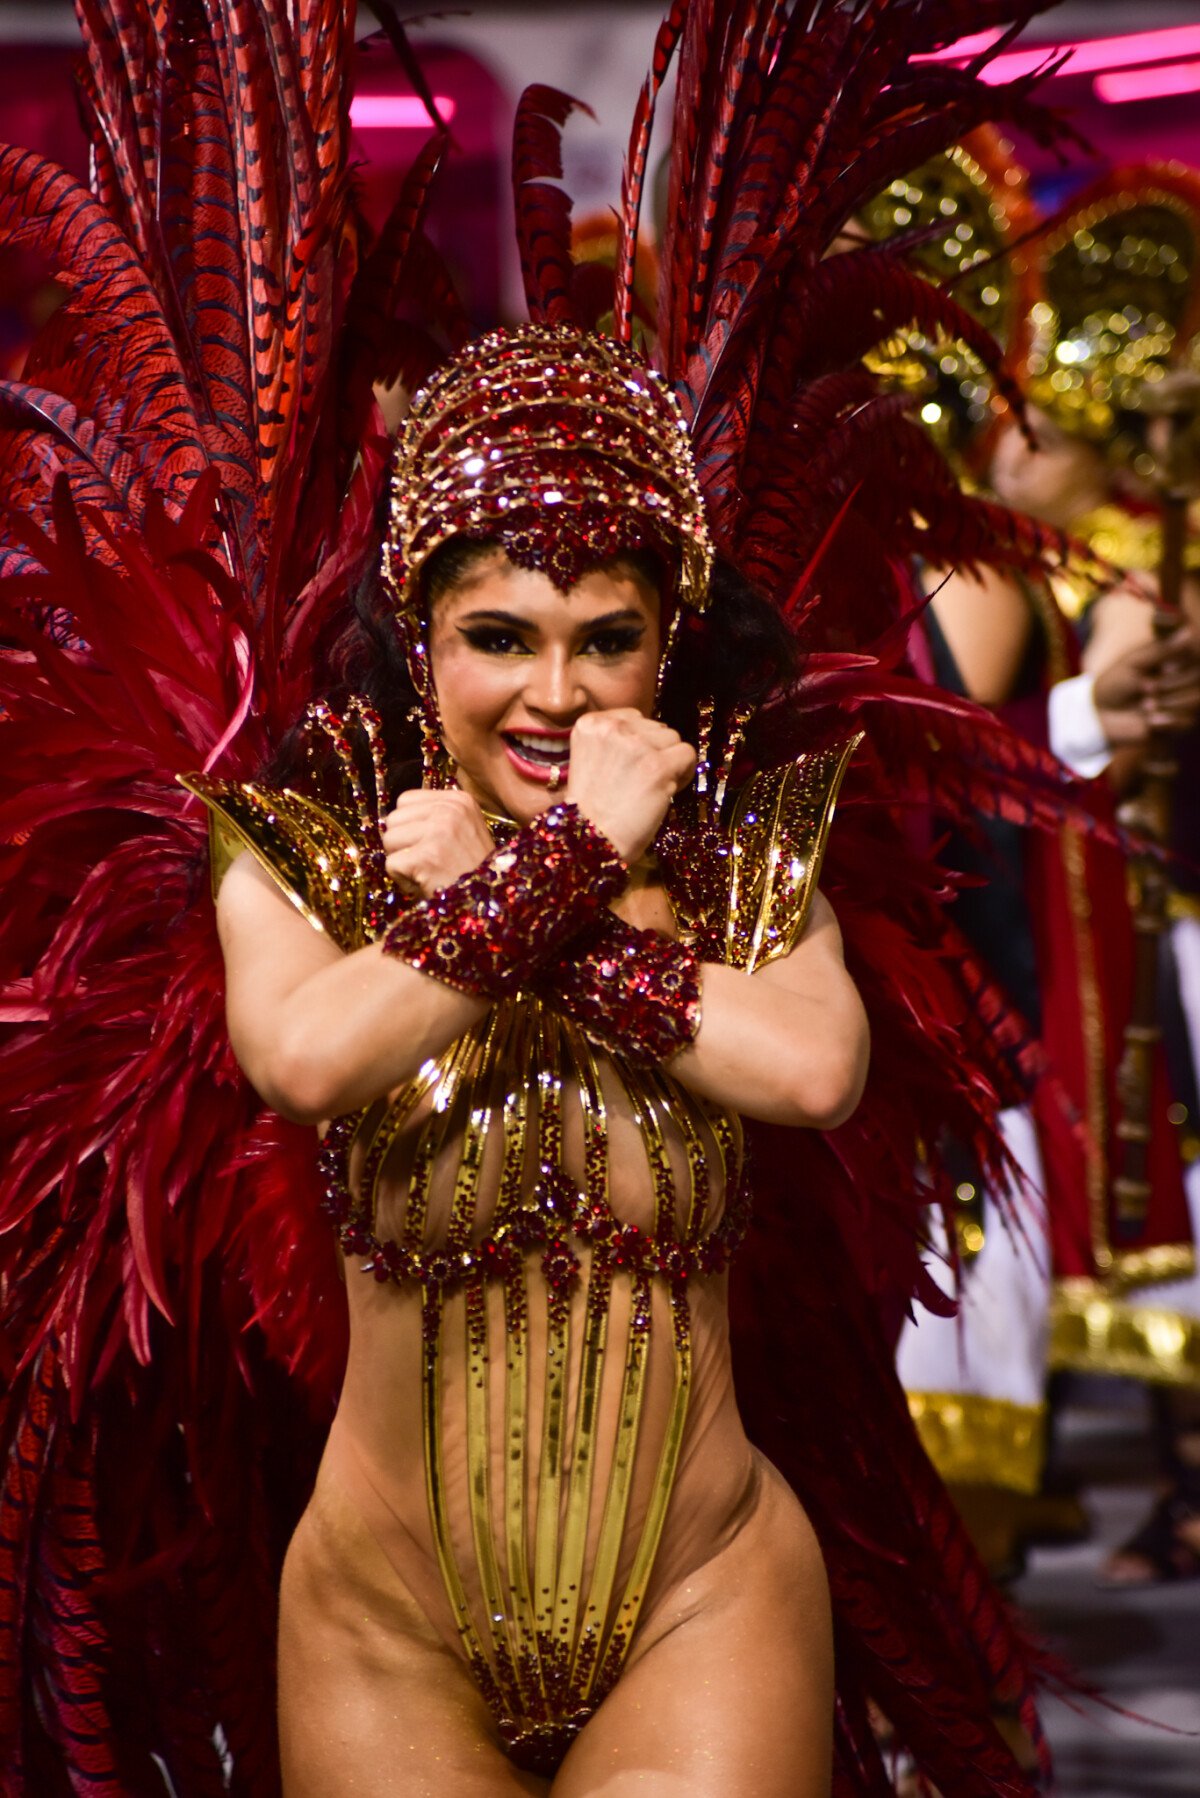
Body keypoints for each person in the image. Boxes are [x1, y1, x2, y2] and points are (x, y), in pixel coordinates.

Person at [0, 5, 1095, 1794]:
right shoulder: (297, 845)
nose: (556, 694)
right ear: (413, 644)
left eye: (610, 639)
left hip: (701, 1599)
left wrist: (548, 895)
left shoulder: (751, 851)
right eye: (499, 637)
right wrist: (576, 870)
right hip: (383, 1626)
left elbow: (809, 1068)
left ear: (674, 647)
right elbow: (307, 1052)